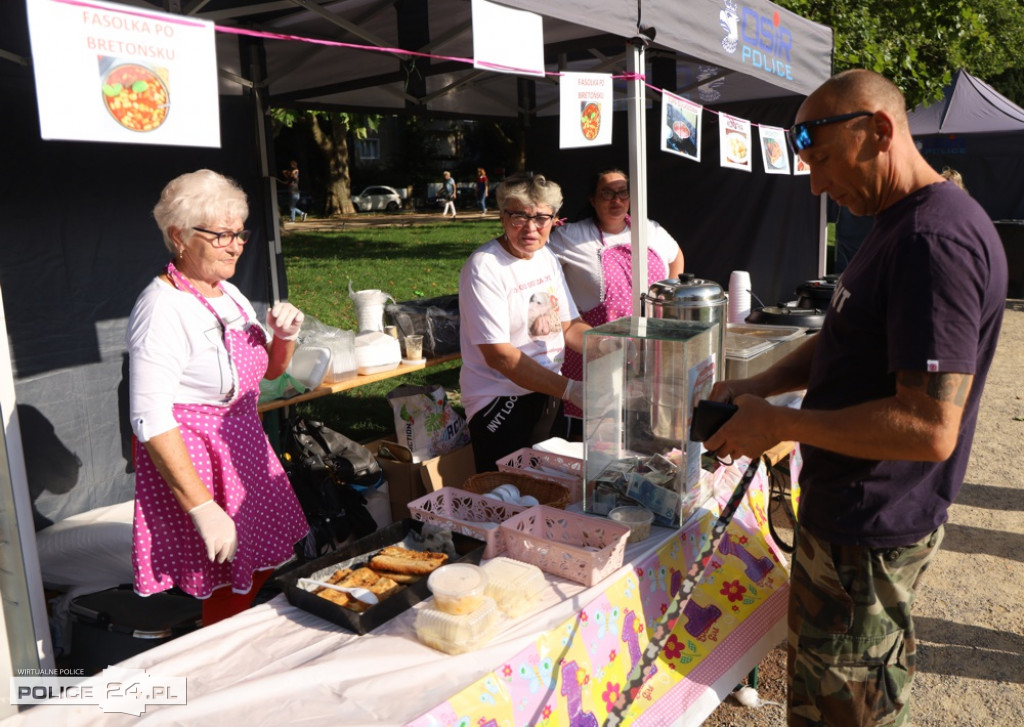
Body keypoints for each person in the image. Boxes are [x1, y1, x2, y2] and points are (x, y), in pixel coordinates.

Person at [707, 70, 1006, 726]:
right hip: (847, 521)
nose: (816, 185)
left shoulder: (934, 240)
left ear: (878, 130)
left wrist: (780, 424)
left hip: (868, 532)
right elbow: (845, 335)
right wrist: (758, 386)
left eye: (822, 161)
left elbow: (929, 426)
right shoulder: (898, 221)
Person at [127, 170, 311, 626]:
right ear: (179, 236)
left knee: (261, 561)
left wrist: (284, 337)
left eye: (240, 233)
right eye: (222, 235)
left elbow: (267, 373)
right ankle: (215, 646)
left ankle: (230, 634)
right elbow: (149, 417)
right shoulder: (161, 309)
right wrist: (202, 507)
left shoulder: (228, 292)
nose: (236, 246)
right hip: (198, 459)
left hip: (244, 444)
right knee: (225, 579)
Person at [458, 172, 590, 473]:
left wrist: (609, 346)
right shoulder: (485, 267)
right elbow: (500, 356)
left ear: (554, 219)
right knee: (507, 492)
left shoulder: (546, 256)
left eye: (541, 218)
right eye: (519, 217)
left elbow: (569, 326)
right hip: (500, 400)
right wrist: (572, 390)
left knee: (553, 486)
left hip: (548, 390)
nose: (531, 228)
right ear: (502, 217)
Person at [547, 168, 684, 434]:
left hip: (646, 348)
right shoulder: (570, 237)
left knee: (641, 425)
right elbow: (541, 267)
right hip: (596, 350)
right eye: (607, 194)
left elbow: (676, 255)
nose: (616, 200)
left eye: (623, 193)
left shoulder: (649, 230)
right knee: (596, 433)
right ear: (592, 199)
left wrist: (670, 295)